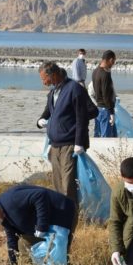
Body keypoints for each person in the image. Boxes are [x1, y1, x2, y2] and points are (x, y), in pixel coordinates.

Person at [0, 185, 78, 265]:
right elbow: (12, 240)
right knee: (24, 244)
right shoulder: (3, 216)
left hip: (62, 214)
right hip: (48, 225)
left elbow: (40, 195)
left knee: (60, 256)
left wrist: (41, 226)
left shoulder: (12, 199)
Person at [37, 62, 92, 203]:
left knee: (68, 183)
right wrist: (41, 120)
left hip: (69, 143)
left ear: (53, 75)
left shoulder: (74, 89)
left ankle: (71, 215)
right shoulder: (53, 91)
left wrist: (79, 143)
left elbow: (82, 117)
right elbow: (49, 110)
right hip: (55, 144)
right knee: (57, 182)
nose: (43, 82)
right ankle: (61, 211)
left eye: (44, 79)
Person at [91, 50, 117, 138]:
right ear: (110, 60)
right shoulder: (105, 74)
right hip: (105, 109)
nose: (113, 64)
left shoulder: (95, 71)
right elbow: (106, 95)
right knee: (106, 138)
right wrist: (111, 112)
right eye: (113, 61)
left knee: (98, 135)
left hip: (98, 107)